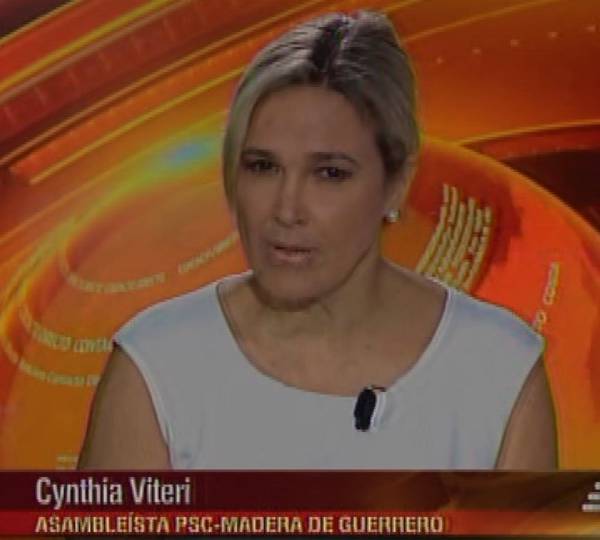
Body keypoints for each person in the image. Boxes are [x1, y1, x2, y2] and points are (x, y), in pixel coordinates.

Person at [78, 10, 557, 470]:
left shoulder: (497, 370)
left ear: (396, 182)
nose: (286, 210)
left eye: (329, 173)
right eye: (263, 167)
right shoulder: (159, 366)